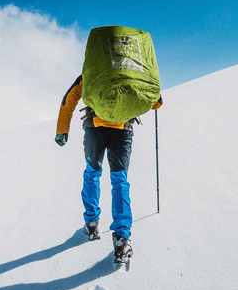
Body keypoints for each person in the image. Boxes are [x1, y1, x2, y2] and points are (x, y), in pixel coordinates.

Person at [55, 74, 162, 262]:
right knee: (120, 181)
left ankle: (91, 223)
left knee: (92, 174)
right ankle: (121, 239)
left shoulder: (95, 68)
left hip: (94, 126)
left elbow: (70, 97)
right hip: (123, 129)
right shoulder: (132, 69)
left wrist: (62, 129)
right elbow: (155, 102)